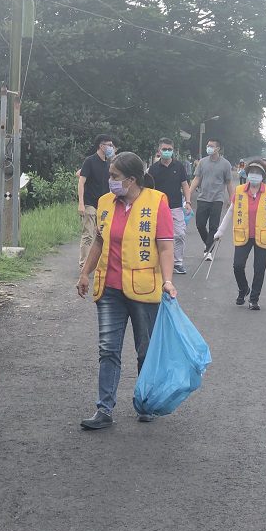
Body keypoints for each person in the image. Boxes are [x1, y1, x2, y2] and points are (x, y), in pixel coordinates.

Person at [76, 152, 177, 430]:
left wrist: (168, 280)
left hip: (144, 291)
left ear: (131, 180)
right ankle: (104, 409)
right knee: (108, 349)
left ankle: (145, 403)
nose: (110, 181)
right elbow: (98, 241)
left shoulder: (157, 203)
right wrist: (85, 273)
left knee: (144, 350)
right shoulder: (105, 203)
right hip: (109, 288)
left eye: (114, 177)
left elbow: (166, 246)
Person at [213, 158, 266, 311]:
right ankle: (243, 288)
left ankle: (254, 299)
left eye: (258, 173)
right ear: (247, 173)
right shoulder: (239, 191)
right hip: (243, 234)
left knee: (259, 269)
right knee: (238, 265)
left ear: (263, 176)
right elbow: (230, 211)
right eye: (252, 172)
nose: (254, 175)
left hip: (263, 235)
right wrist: (220, 230)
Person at [148, 137, 193, 275]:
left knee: (179, 234)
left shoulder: (179, 166)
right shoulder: (153, 169)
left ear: (173, 151)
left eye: (169, 149)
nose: (167, 152)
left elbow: (185, 185)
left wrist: (188, 202)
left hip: (175, 206)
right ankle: (157, 261)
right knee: (156, 235)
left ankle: (177, 262)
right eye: (164, 149)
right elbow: (148, 189)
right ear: (159, 151)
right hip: (158, 207)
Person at [187, 138, 234, 260]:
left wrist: (232, 199)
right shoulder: (202, 162)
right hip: (203, 198)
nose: (208, 148)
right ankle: (208, 241)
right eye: (208, 146)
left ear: (218, 148)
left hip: (217, 199)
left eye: (211, 146)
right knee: (200, 224)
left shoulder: (225, 164)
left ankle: (208, 251)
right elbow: (197, 179)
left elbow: (229, 183)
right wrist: (188, 194)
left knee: (214, 226)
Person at [78, 134, 116, 270]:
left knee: (103, 235)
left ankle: (99, 264)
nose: (111, 148)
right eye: (109, 145)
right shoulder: (90, 161)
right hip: (89, 203)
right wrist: (81, 203)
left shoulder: (108, 163)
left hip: (104, 205)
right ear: (101, 146)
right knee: (88, 234)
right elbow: (81, 181)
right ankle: (84, 265)